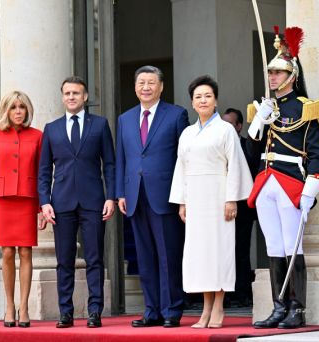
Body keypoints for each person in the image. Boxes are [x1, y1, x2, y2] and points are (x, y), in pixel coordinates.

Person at [246, 26, 319, 329]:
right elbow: (253, 151)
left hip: (291, 181)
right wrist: (260, 121)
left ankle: (297, 308)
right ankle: (279, 307)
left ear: (292, 76)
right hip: (266, 181)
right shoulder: (264, 107)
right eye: (270, 73)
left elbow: (317, 151)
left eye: (278, 73)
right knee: (274, 248)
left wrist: (311, 187)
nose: (272, 77)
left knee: (294, 247)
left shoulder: (305, 108)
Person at [169, 75, 253, 329]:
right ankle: (204, 308)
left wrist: (231, 199)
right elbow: (180, 168)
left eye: (207, 96)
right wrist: (182, 202)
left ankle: (218, 305)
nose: (203, 100)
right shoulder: (187, 133)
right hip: (195, 199)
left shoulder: (226, 130)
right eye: (198, 97)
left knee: (220, 251)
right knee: (199, 254)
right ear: (192, 103)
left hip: (218, 198)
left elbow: (236, 166)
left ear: (215, 100)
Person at [38, 76, 115, 329]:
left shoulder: (100, 125)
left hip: (93, 201)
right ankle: (66, 312)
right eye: (67, 93)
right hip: (61, 204)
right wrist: (44, 202)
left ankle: (94, 311)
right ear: (63, 97)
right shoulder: (52, 128)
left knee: (94, 259)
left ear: (85, 97)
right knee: (64, 260)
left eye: (76, 93)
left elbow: (110, 165)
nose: (71, 97)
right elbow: (43, 171)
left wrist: (111, 197)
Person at [116, 65, 189, 328]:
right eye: (141, 83)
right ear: (135, 87)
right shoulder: (125, 118)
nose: (145, 87)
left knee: (168, 255)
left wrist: (183, 194)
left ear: (161, 86)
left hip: (165, 195)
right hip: (135, 196)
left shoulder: (176, 114)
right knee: (144, 256)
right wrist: (119, 193)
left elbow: (184, 158)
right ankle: (151, 310)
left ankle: (172, 310)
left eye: (151, 82)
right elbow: (121, 158)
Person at [0, 90, 45, 328]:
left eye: (22, 107)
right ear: (5, 110)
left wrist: (42, 208)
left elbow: (42, 174)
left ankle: (25, 307)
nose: (18, 111)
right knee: (7, 252)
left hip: (28, 198)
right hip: (2, 199)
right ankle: (9, 306)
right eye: (13, 107)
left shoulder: (38, 136)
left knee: (26, 252)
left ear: (27, 110)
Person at [222, 108, 258, 307]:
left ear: (239, 126)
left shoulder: (247, 146)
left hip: (243, 210)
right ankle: (224, 294)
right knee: (223, 251)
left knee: (241, 251)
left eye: (229, 124)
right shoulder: (216, 145)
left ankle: (243, 293)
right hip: (219, 209)